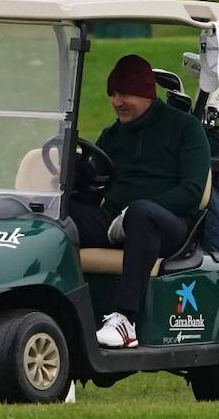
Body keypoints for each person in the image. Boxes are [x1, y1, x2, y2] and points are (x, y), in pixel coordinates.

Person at [70, 54, 210, 348]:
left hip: (169, 227)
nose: (117, 101)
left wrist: (133, 211)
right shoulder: (112, 135)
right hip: (115, 221)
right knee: (61, 215)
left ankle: (125, 320)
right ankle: (55, 306)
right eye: (112, 94)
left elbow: (191, 192)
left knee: (141, 213)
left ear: (147, 94)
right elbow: (96, 186)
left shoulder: (186, 128)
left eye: (125, 94)